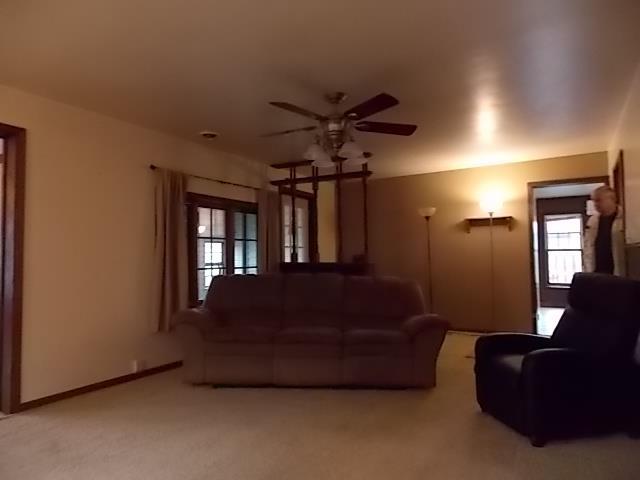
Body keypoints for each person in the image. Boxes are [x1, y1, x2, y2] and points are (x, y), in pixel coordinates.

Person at [583, 185, 625, 276]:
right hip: (597, 272)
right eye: (594, 201)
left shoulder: (625, 219)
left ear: (612, 199)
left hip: (618, 271)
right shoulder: (592, 221)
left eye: (598, 200)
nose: (596, 204)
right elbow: (588, 247)